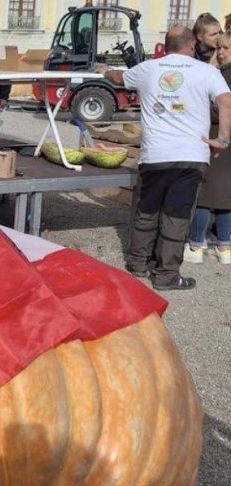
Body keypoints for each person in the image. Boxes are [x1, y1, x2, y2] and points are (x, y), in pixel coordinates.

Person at [98, 25, 231, 291]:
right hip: (191, 156)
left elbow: (117, 78)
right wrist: (223, 139)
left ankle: (137, 264)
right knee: (177, 214)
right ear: (192, 45)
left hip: (155, 154)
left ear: (166, 45)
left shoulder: (148, 68)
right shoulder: (208, 71)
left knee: (147, 209)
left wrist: (105, 71)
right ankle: (166, 274)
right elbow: (226, 100)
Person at [184, 31, 231, 266]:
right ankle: (224, 247)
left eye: (226, 49)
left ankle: (196, 244)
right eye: (218, 48)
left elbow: (217, 108)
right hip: (227, 141)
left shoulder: (221, 76)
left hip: (215, 138)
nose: (220, 53)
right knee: (226, 196)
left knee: (203, 195)